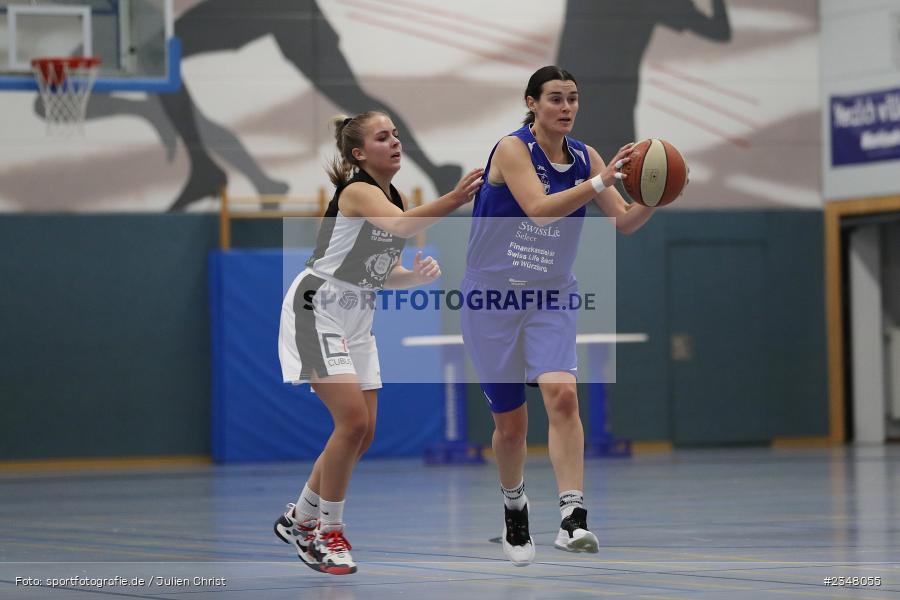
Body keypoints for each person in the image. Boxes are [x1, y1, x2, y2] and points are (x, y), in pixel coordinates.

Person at [460, 66, 661, 566]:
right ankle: (515, 508)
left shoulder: (586, 157)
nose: (566, 107)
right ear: (532, 103)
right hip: (492, 299)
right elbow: (539, 209)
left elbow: (625, 223)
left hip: (550, 295)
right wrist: (598, 181)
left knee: (564, 395)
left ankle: (573, 518)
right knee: (510, 428)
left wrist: (656, 196)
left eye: (573, 98)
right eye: (555, 99)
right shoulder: (512, 149)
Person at [274, 111, 482, 575]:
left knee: (362, 432)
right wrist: (454, 197)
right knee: (349, 421)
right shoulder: (358, 190)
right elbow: (405, 227)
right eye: (382, 136)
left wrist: (412, 276)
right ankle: (326, 532)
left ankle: (300, 516)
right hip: (318, 306)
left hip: (356, 312)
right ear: (359, 154)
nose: (395, 141)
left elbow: (375, 273)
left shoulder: (392, 195)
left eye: (396, 134)